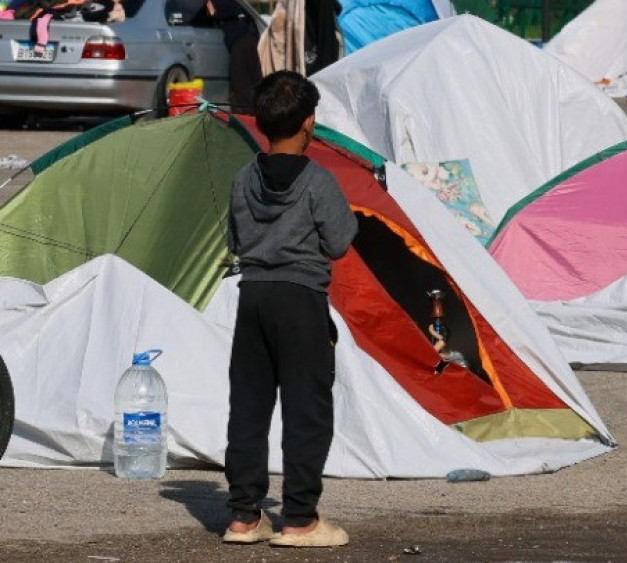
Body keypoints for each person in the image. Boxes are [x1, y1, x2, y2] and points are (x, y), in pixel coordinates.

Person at [222, 70, 358, 547]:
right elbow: (339, 243)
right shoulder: (319, 181)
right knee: (307, 410)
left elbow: (234, 239)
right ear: (310, 124)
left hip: (253, 297)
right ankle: (299, 519)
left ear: (261, 125)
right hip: (300, 301)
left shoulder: (243, 179)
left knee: (249, 408)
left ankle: (243, 516)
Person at [206, 0, 262, 113]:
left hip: (240, 41)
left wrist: (213, 13)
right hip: (246, 38)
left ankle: (248, 116)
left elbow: (220, 13)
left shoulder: (224, 5)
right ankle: (255, 113)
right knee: (253, 79)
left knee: (240, 82)